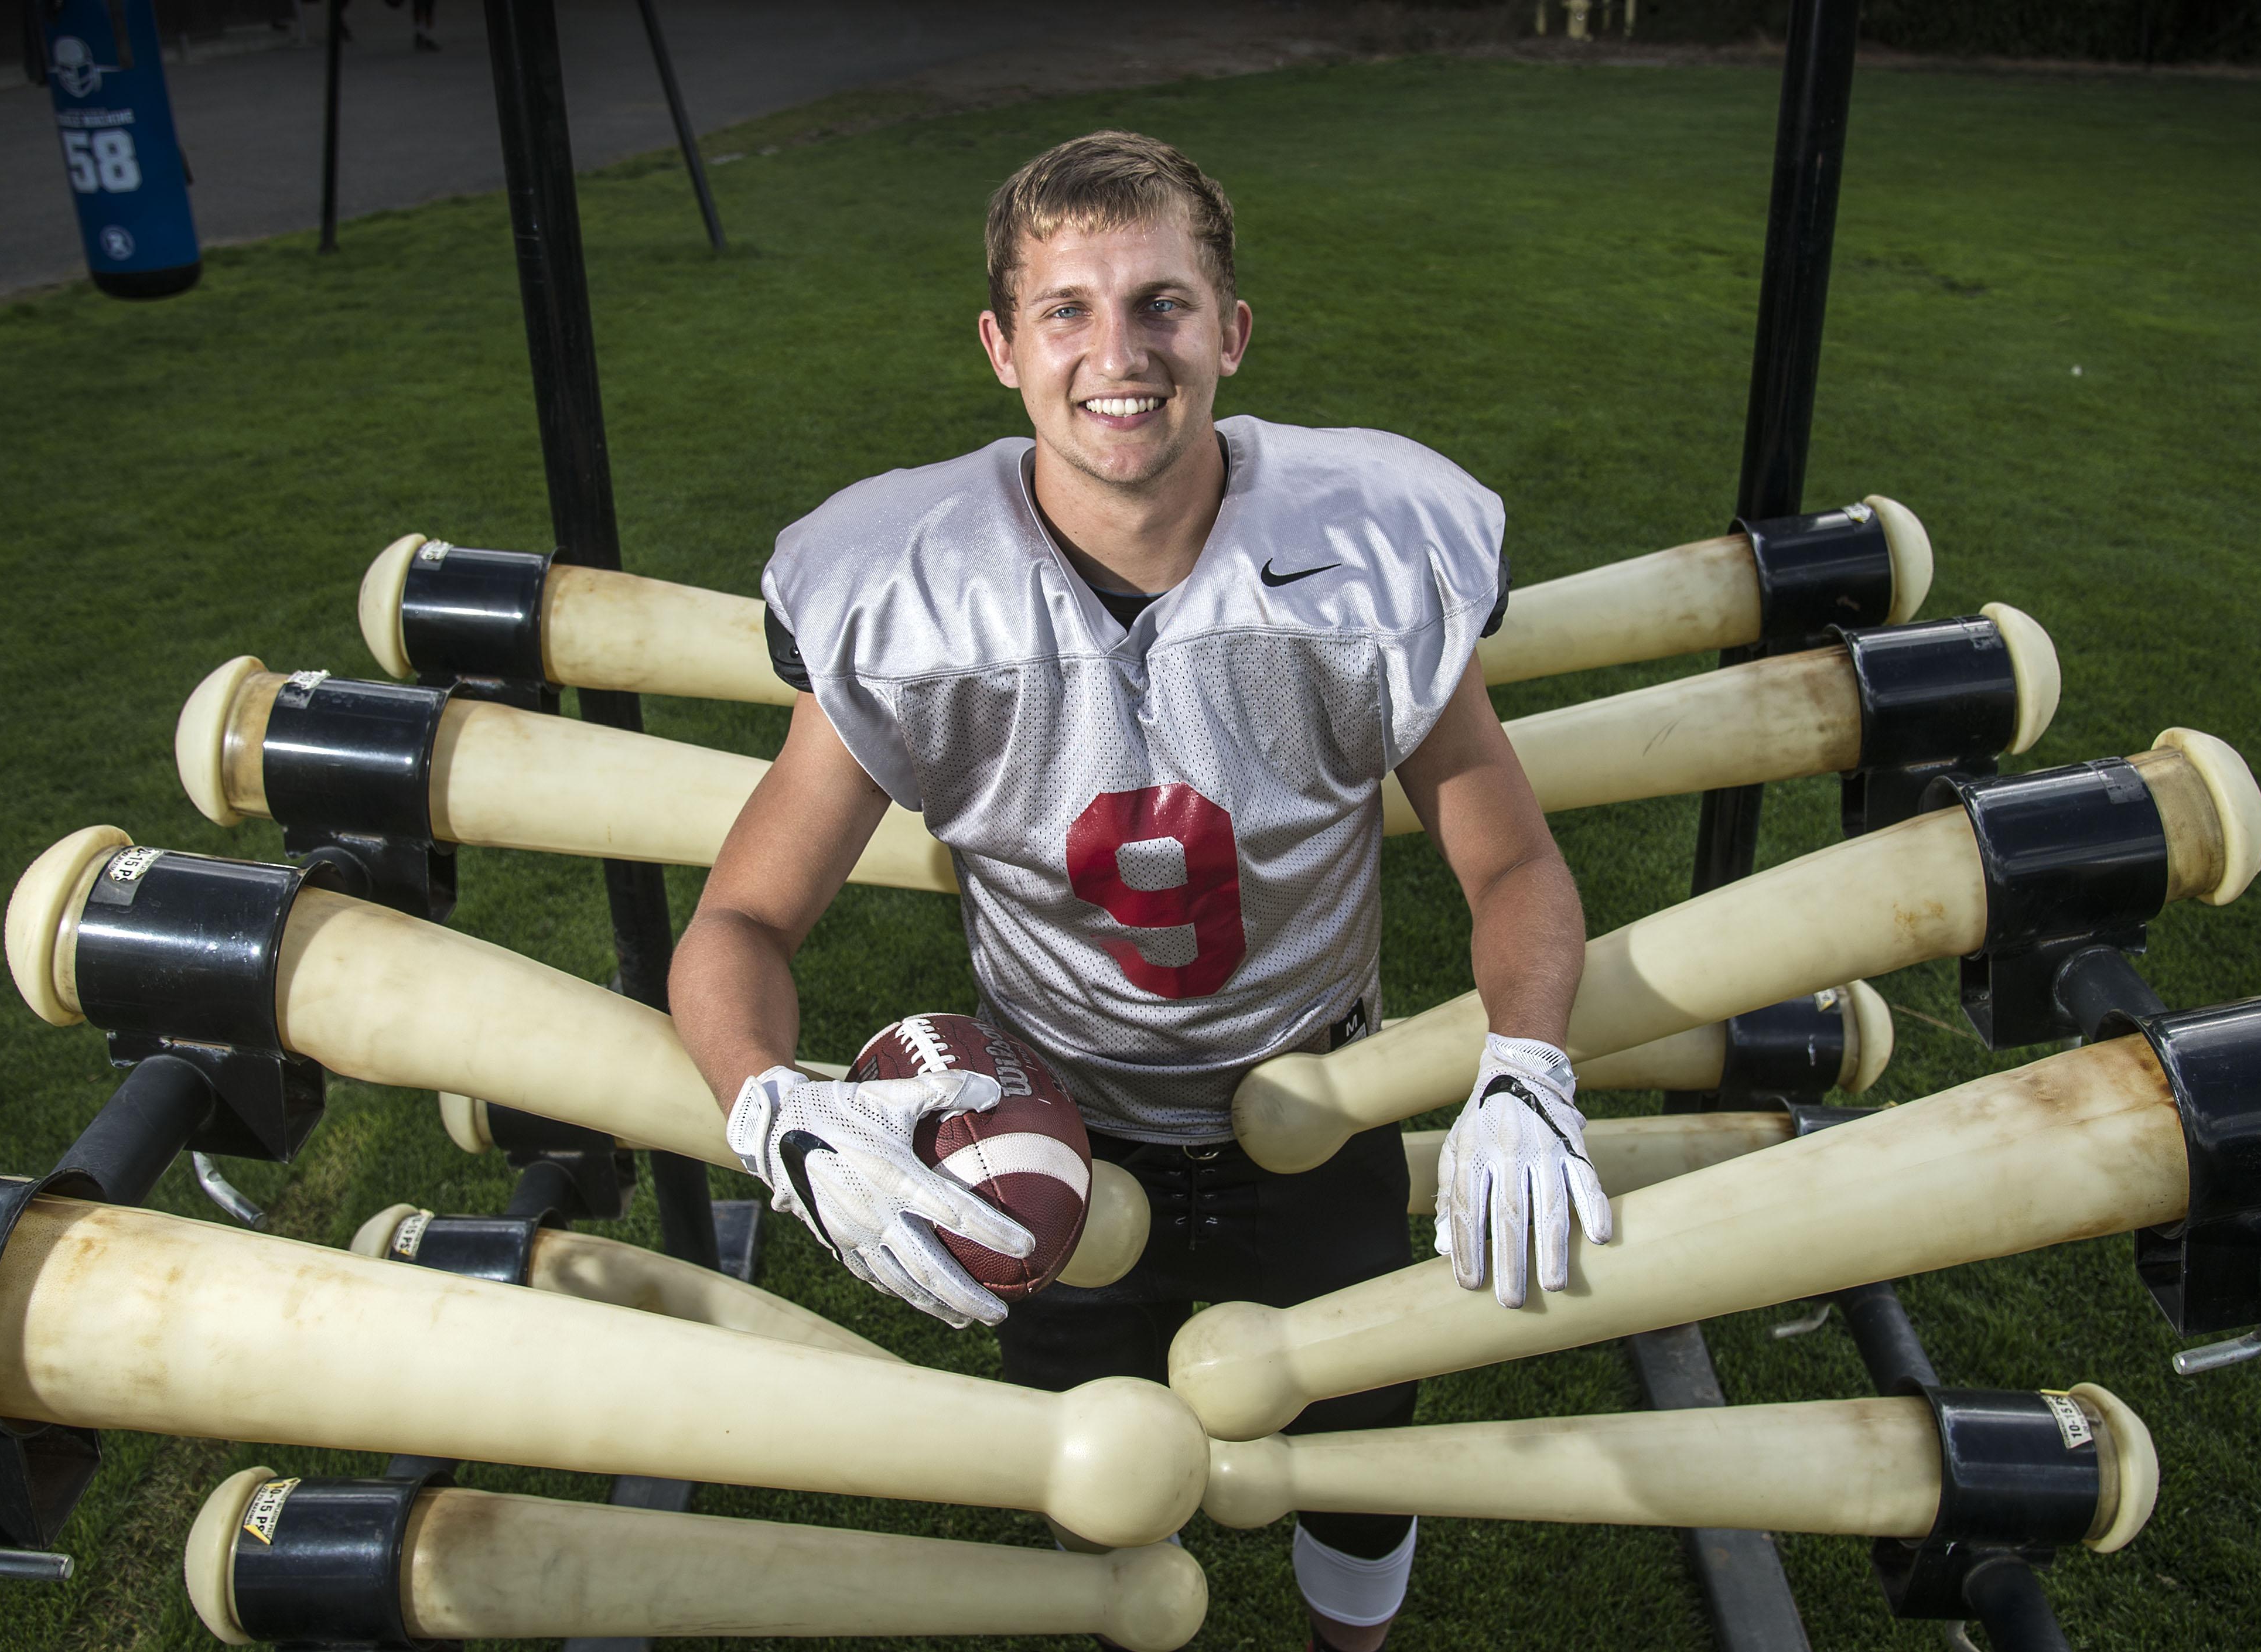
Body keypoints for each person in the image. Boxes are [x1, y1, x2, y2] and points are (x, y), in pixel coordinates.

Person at [670, 129, 1611, 1652]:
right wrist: (769, 1101)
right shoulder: (909, 585)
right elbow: (739, 921)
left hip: (1313, 1091)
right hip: (1045, 1117)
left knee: (1360, 1444)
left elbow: (1508, 857)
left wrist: (1528, 1058)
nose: (1119, 352)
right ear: (999, 347)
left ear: (1230, 332)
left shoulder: (1364, 541)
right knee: (1088, 1480)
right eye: (1066, 309)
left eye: (1161, 304)